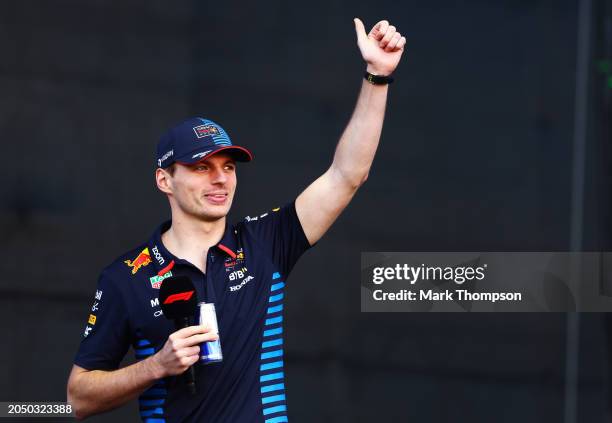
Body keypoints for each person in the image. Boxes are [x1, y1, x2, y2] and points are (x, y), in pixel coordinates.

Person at [67, 17, 406, 422]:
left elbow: (347, 175)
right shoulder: (126, 277)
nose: (220, 179)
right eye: (201, 167)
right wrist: (156, 366)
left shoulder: (265, 242)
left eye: (228, 167)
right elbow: (77, 398)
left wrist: (377, 76)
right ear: (164, 179)